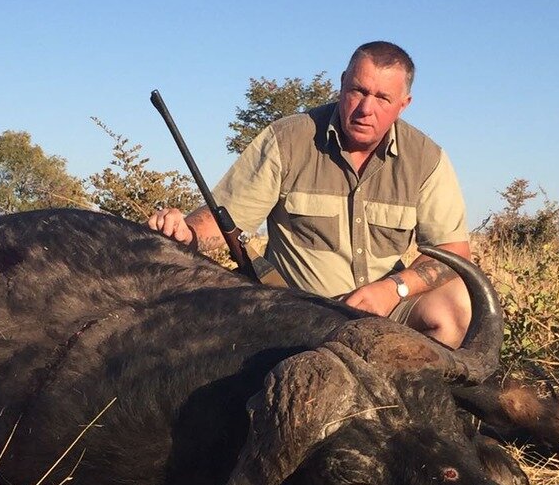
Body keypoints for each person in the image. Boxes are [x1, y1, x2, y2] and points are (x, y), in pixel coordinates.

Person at [149, 41, 472, 347]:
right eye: (357, 91)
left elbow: (453, 250)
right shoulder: (287, 139)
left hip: (388, 310)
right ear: (342, 83)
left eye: (382, 98)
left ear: (404, 104)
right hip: (297, 312)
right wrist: (185, 233)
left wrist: (393, 289)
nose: (365, 109)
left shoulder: (427, 158)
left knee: (457, 301)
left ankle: (423, 398)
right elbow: (223, 223)